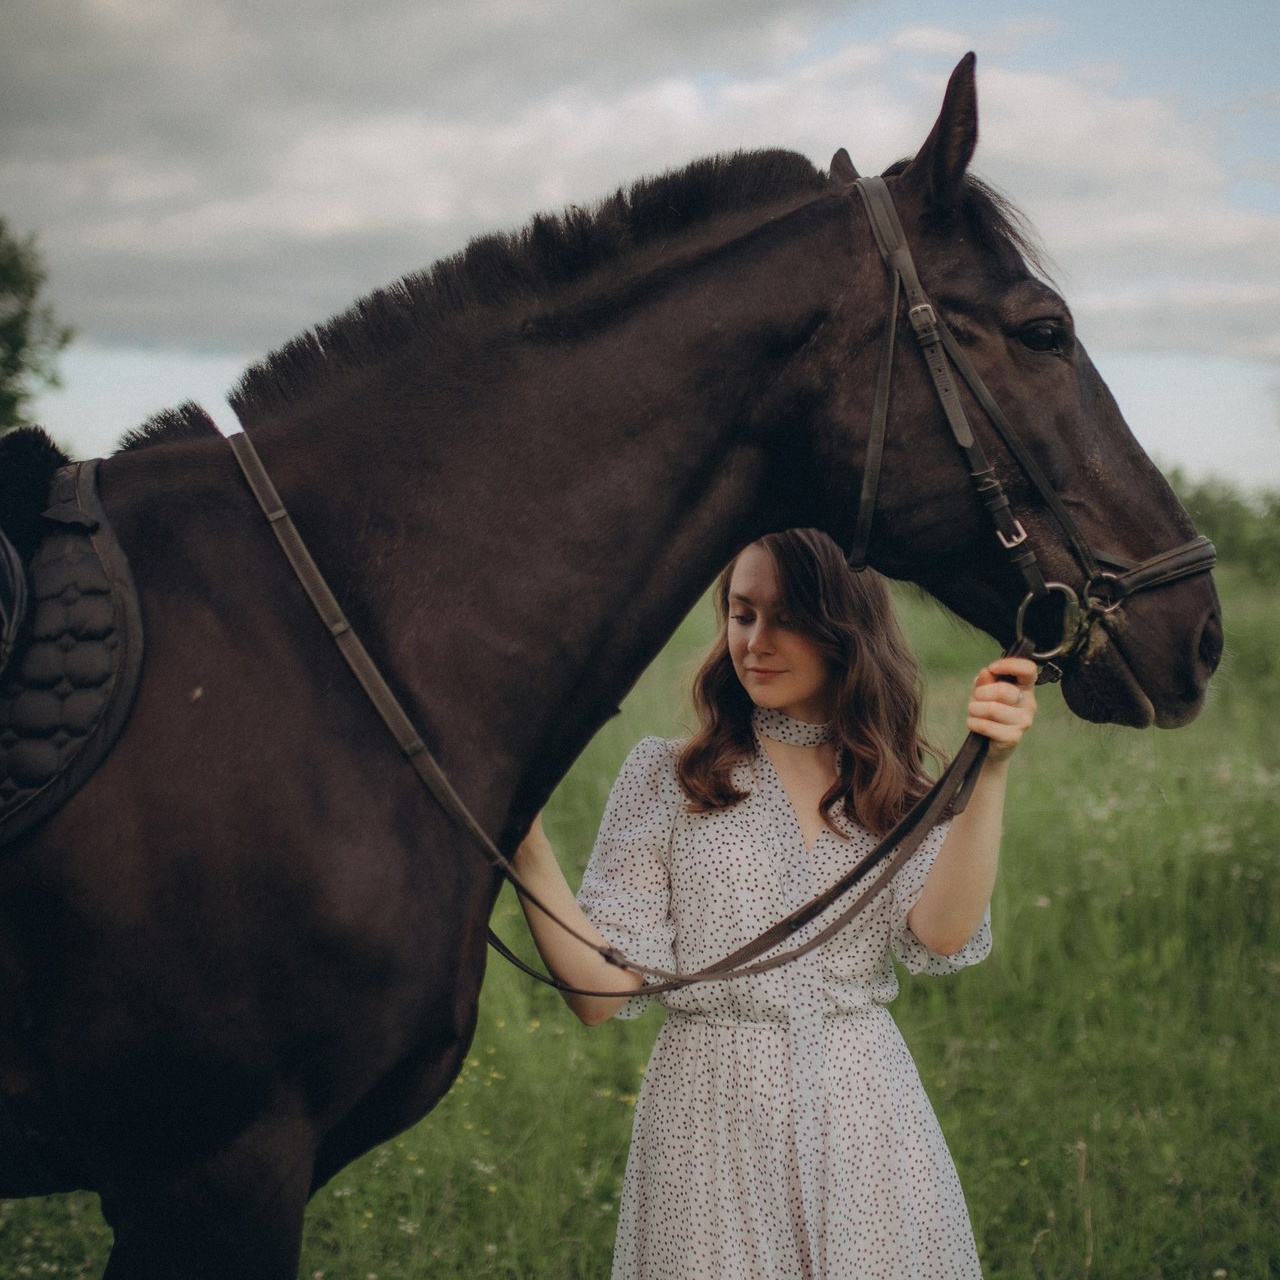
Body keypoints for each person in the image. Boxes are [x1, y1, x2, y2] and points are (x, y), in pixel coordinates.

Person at [513, 528, 1037, 1280]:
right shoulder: (670, 776)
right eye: (741, 612)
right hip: (708, 1122)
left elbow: (943, 936)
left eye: (785, 617)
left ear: (843, 630)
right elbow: (599, 997)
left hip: (866, 1113)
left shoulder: (891, 786)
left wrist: (989, 772)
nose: (754, 640)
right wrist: (526, 847)